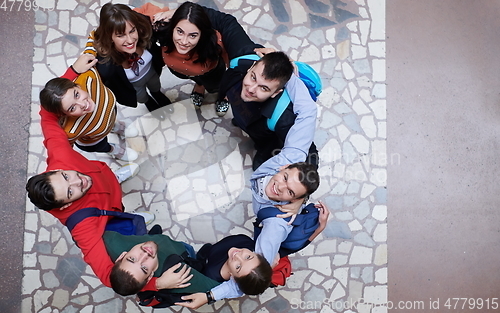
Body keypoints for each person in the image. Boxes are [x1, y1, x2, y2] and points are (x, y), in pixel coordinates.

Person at [176, 62, 325, 308]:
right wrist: (284, 73)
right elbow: (308, 110)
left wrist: (211, 296)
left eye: (289, 193)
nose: (279, 188)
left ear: (292, 200)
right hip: (277, 165)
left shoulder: (274, 227)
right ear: (284, 167)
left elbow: (251, 278)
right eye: (285, 178)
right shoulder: (292, 154)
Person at [25, 80, 142, 289]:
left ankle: (117, 177)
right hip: (111, 209)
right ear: (64, 206)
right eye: (70, 192)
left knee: (109, 177)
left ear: (55, 170)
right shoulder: (81, 226)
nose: (79, 180)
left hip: (106, 176)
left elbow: (47, 113)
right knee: (128, 219)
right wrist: (156, 283)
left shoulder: (59, 157)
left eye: (66, 176)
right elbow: (110, 277)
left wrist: (73, 71)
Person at [146, 1, 263, 116]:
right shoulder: (161, 31)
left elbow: (228, 23)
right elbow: (134, 18)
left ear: (202, 34)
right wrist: (180, 12)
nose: (184, 41)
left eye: (193, 35)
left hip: (212, 73)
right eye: (180, 32)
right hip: (182, 72)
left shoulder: (214, 44)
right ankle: (199, 86)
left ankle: (223, 96)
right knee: (198, 80)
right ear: (172, 28)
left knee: (217, 87)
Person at [218, 51, 320, 170]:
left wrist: (301, 180)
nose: (251, 89)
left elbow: (308, 148)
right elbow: (227, 32)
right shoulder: (241, 59)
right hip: (244, 115)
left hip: (262, 131)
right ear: (252, 66)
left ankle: (262, 155)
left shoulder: (285, 117)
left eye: (264, 88)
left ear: (276, 93)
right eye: (253, 77)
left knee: (265, 145)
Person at [103, 231, 271, 298]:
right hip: (205, 255)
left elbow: (207, 288)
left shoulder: (210, 277)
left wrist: (209, 297)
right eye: (249, 256)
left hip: (191, 257)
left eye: (238, 267)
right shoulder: (245, 244)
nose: (238, 255)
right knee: (201, 251)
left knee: (191, 251)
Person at [39, 53, 139, 161]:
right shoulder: (70, 131)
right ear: (64, 114)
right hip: (94, 139)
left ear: (77, 85)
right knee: (102, 146)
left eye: (76, 95)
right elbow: (65, 151)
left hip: (108, 114)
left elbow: (94, 44)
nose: (83, 105)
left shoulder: (88, 76)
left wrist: (74, 69)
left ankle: (116, 127)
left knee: (109, 118)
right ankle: (113, 150)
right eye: (72, 108)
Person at [86, 3, 172, 120]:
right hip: (133, 85)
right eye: (121, 35)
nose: (130, 40)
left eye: (132, 31)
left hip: (151, 72)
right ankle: (148, 102)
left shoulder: (145, 31)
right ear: (109, 37)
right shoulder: (105, 65)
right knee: (141, 97)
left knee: (155, 85)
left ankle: (157, 94)